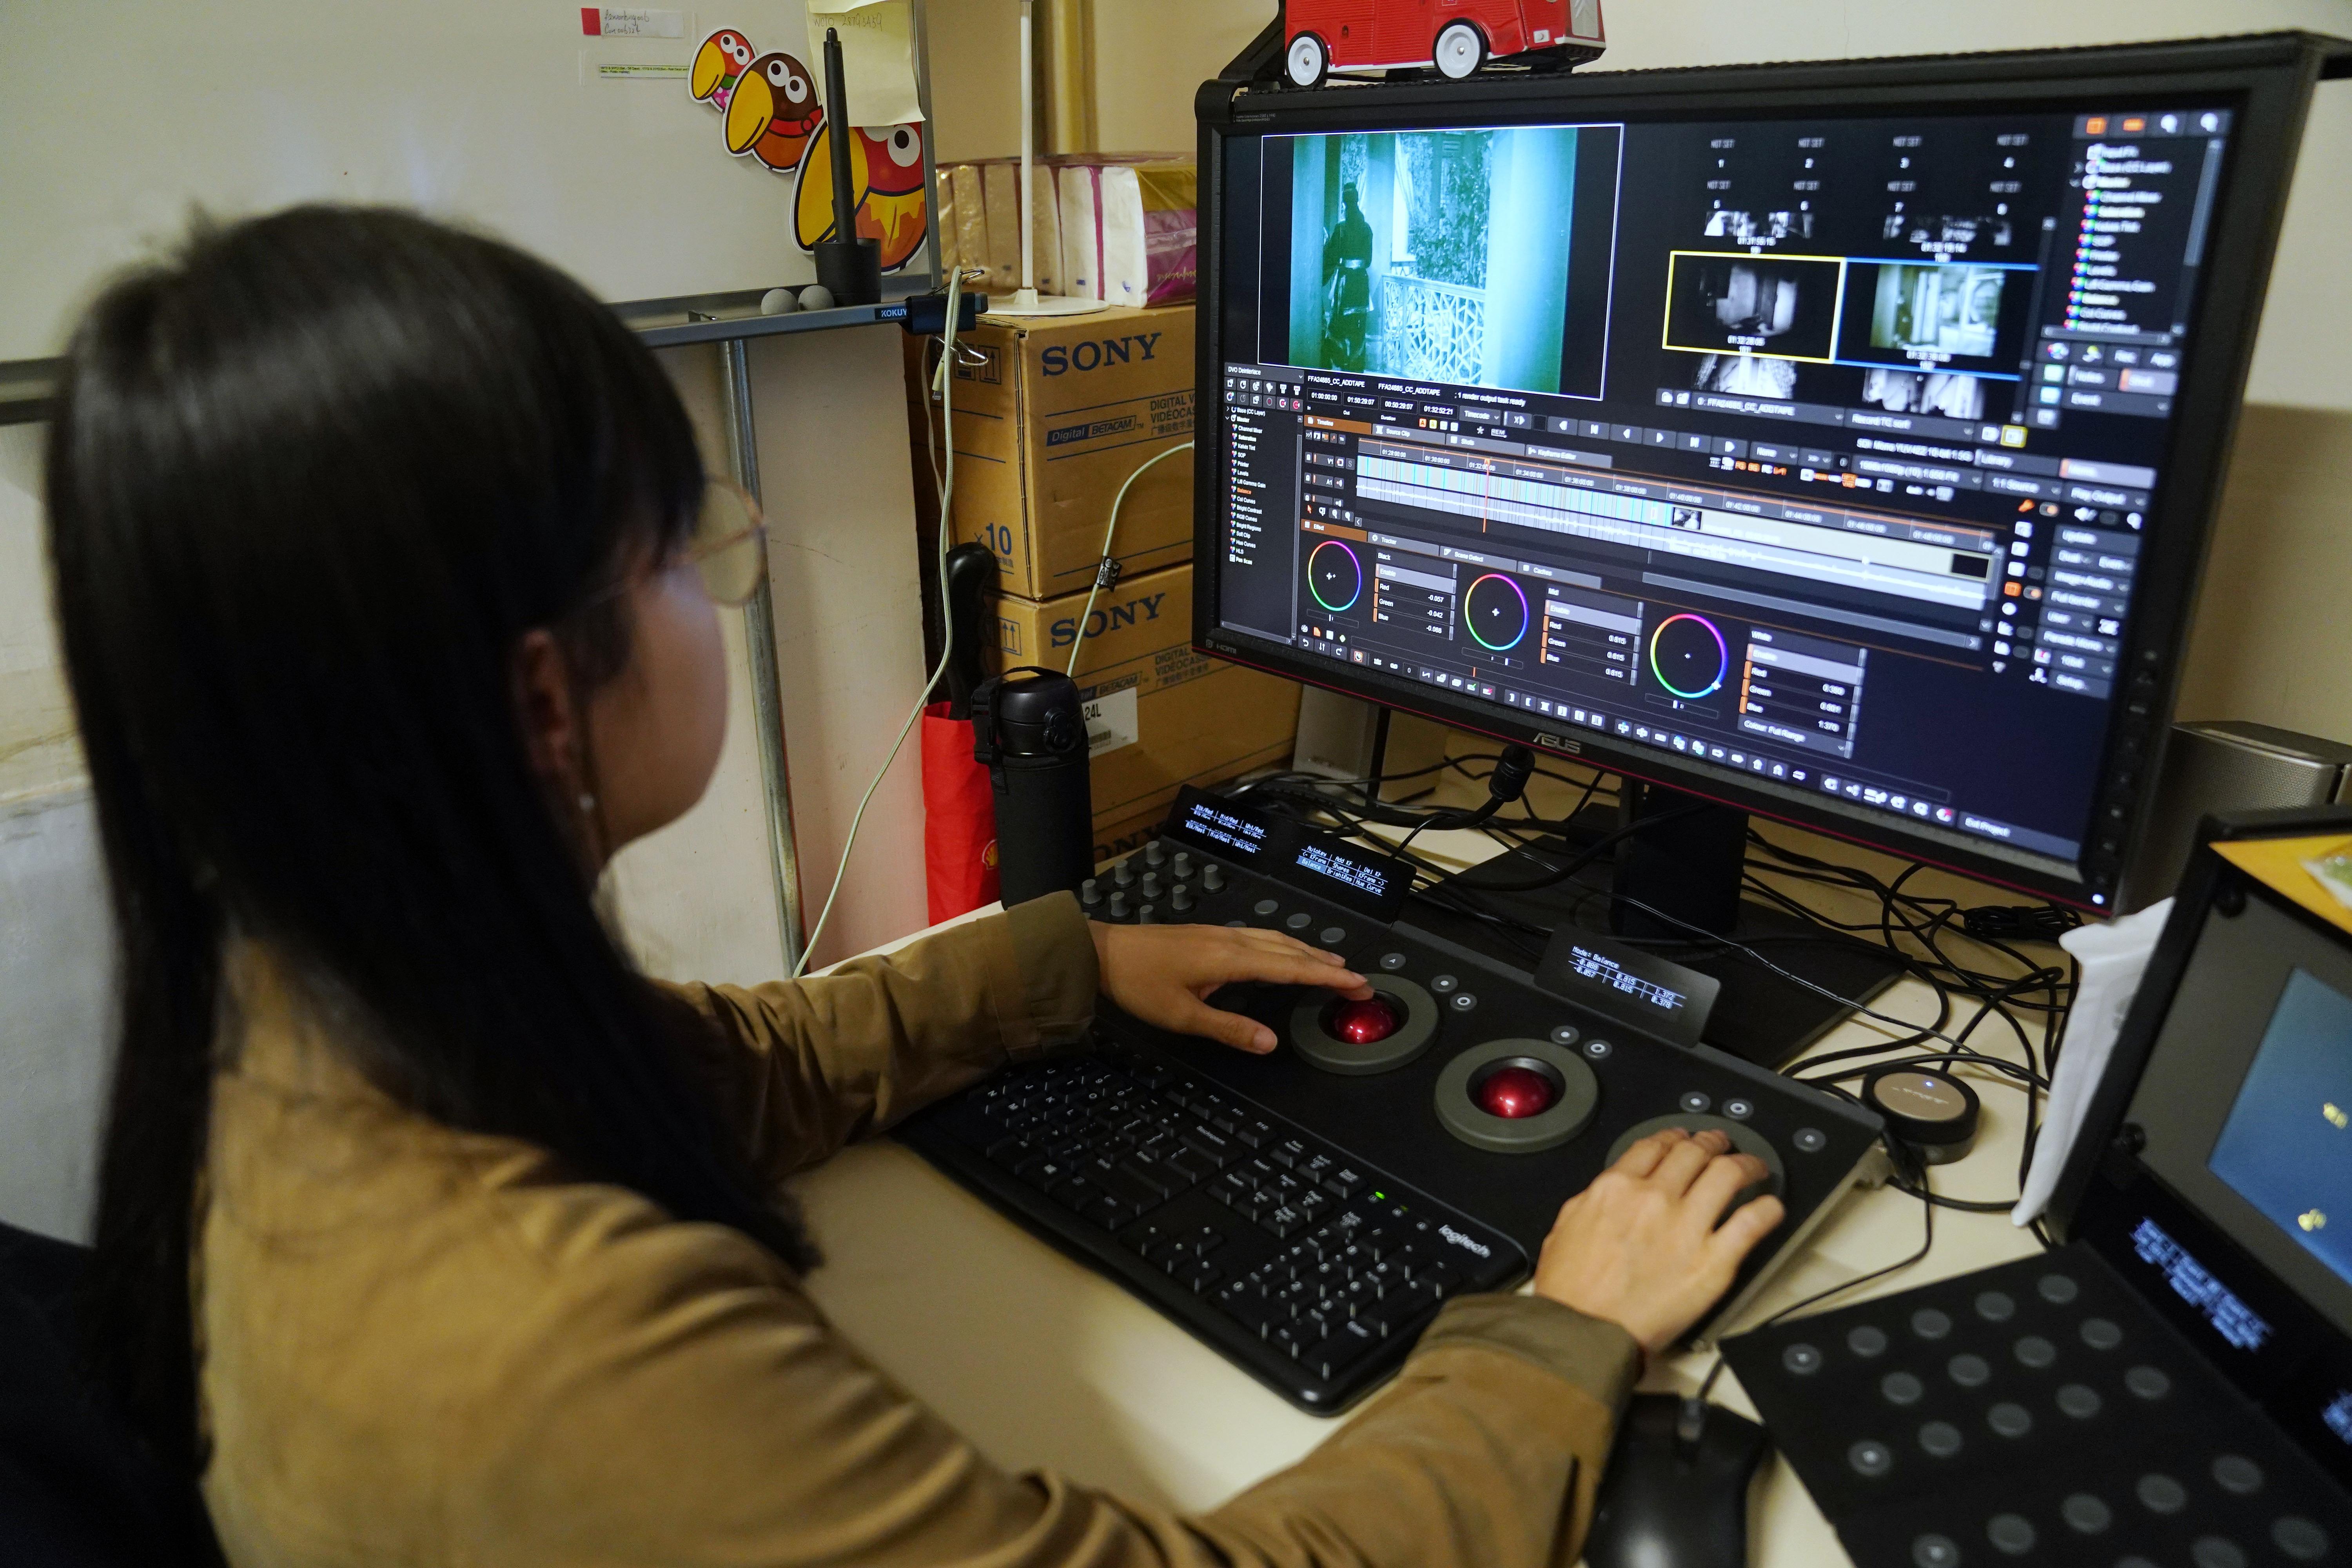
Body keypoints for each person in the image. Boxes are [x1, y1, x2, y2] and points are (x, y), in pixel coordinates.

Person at [48, 207, 1783, 1568]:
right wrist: (1559, 1333)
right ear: (542, 700)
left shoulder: (298, 1015)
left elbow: (728, 1069)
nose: (716, 576)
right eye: (688, 543)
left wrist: (1062, 964)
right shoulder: (568, 1351)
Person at [1321, 182, 1374, 371]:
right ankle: (1356, 366)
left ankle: (1342, 361)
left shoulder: (1341, 229)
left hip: (1345, 284)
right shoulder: (1367, 229)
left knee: (1339, 324)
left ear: (1345, 204)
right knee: (1358, 326)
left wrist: (1321, 278)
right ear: (1357, 201)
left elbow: (1330, 257)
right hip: (1361, 283)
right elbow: (1368, 261)